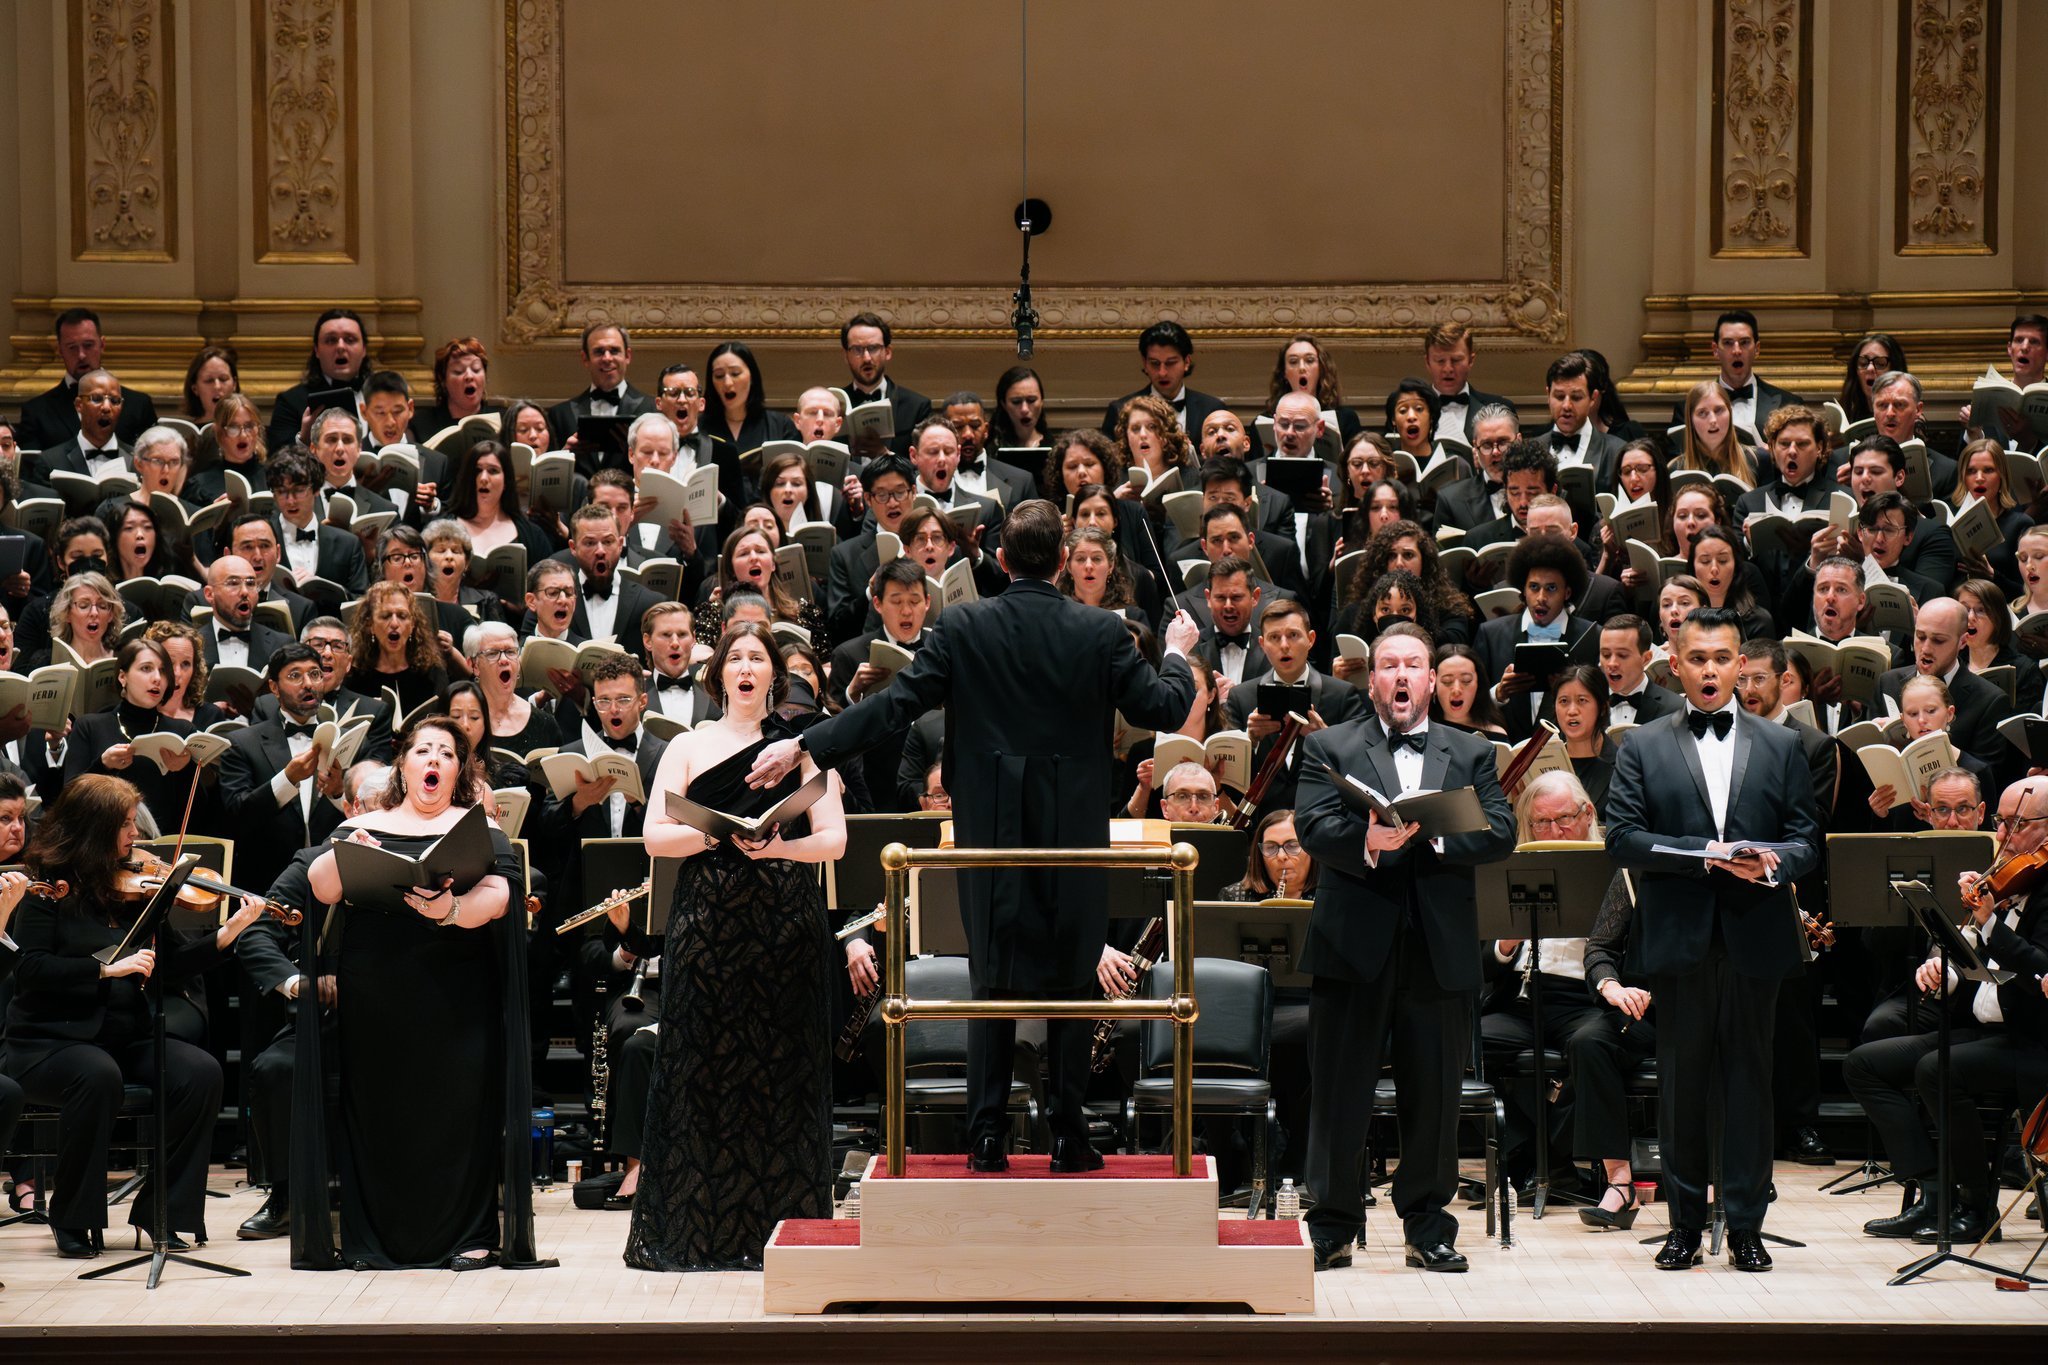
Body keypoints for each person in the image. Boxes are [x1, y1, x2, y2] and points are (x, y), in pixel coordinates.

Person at [749, 500, 1200, 1172]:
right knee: (1075, 984)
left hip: (988, 834)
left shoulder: (962, 623)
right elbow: (1164, 707)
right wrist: (1176, 652)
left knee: (991, 980)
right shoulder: (1102, 631)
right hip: (1075, 836)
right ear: (1062, 563)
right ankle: (1069, 1136)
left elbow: (893, 705)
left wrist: (804, 745)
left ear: (1005, 560)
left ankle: (985, 1135)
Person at [1604, 606, 1823, 1272]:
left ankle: (1749, 1227)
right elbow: (1622, 838)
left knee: (1751, 1086)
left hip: (1756, 932)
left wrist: (1772, 860)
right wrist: (1703, 852)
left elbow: (1808, 841)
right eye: (1696, 658)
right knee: (1683, 1088)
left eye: (1722, 658)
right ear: (1676, 663)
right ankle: (1683, 1228)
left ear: (1741, 666)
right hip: (1679, 936)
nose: (1709, 669)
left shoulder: (1784, 744)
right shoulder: (1641, 743)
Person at [1293, 622, 1516, 1273]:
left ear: (1431, 678)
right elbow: (1311, 824)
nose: (1399, 675)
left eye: (1411, 664)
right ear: (1373, 679)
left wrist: (1437, 836)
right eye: (1388, 664)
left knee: (1436, 1094)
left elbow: (1500, 829)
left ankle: (1427, 1225)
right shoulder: (1329, 744)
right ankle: (1331, 1224)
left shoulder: (1471, 750)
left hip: (1438, 946)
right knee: (1338, 1092)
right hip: (1351, 944)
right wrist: (1368, 843)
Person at [625, 622, 846, 1270]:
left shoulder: (803, 747)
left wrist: (777, 844)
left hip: (784, 923)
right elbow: (654, 836)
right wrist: (717, 834)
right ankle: (697, 1231)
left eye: (758, 658)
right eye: (736, 658)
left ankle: (786, 1235)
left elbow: (832, 839)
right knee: (702, 1070)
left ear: (773, 675)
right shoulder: (688, 745)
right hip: (708, 923)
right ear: (719, 673)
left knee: (784, 1073)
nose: (746, 667)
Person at [287, 715, 537, 1270]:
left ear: (458, 771)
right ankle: (373, 1238)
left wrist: (452, 909)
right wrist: (351, 844)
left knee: (457, 1109)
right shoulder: (367, 824)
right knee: (380, 1108)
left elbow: (498, 895)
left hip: (456, 988)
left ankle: (468, 1236)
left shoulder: (477, 827)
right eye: (422, 750)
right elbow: (323, 888)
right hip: (377, 988)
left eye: (446, 754)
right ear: (403, 765)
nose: (433, 760)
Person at [2, 774, 266, 1258]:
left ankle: (162, 1212)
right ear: (94, 828)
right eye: (125, 825)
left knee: (200, 1073)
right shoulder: (47, 889)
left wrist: (226, 935)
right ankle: (74, 1216)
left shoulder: (131, 888)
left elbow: (166, 968)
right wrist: (103, 970)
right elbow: (31, 969)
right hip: (47, 1044)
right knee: (97, 1075)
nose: (135, 836)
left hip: (122, 1036)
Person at [1844, 775, 2048, 1245]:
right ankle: (1934, 1195)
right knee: (1864, 1065)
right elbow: (1977, 954)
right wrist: (1946, 966)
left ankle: (1977, 1206)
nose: (2002, 835)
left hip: (2032, 1039)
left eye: (2017, 825)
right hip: (1986, 1029)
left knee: (1938, 1070)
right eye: (2001, 822)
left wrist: (1991, 923)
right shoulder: (2008, 872)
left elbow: (2039, 969)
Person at [1478, 769, 1650, 1228]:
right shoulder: (1518, 859)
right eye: (1540, 823)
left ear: (1588, 813)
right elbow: (1486, 960)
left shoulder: (1614, 861)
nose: (1552, 832)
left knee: (1591, 1046)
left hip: (1588, 997)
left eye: (1563, 820)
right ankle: (1530, 1157)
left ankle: (1606, 1178)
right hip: (1524, 994)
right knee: (1466, 1042)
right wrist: (1506, 943)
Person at [16, 307, 162, 450]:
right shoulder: (36, 412)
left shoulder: (138, 405)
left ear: (102, 344)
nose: (81, 355)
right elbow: (32, 471)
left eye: (88, 345)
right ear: (60, 350)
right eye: (72, 347)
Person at [545, 323, 655, 465]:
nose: (607, 358)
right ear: (585, 359)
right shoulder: (560, 415)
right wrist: (565, 454)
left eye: (614, 351)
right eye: (599, 352)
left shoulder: (651, 410)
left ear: (627, 356)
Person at [1099, 320, 1225, 441]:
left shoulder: (1212, 409)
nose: (1162, 372)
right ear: (1145, 363)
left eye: (1170, 363)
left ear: (1186, 362)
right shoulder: (1119, 410)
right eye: (1155, 363)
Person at [266, 308, 371, 453]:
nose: (340, 346)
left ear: (364, 349)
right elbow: (278, 461)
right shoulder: (290, 402)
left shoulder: (383, 396)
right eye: (331, 340)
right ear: (316, 350)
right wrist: (304, 438)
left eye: (350, 340)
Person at [343, 581, 449, 716]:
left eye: (402, 616)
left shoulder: (432, 673)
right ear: (370, 624)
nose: (394, 623)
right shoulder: (355, 675)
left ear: (412, 624)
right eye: (385, 616)